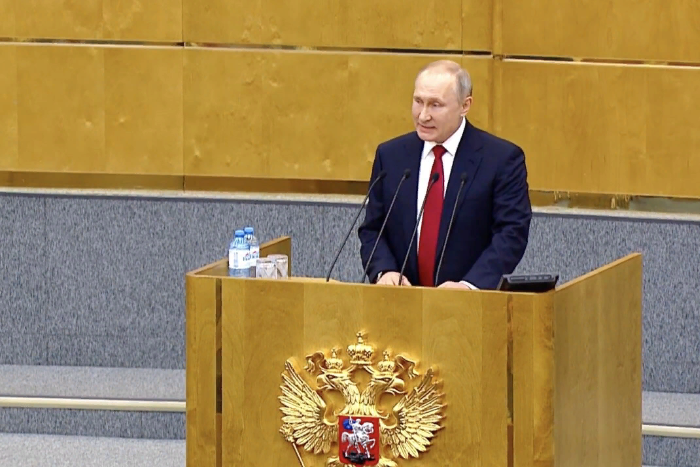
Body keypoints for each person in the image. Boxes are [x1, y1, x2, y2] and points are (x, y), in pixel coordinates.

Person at [358, 60, 531, 290]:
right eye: (418, 102)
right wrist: (384, 271)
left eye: (435, 105)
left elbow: (511, 233)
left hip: (470, 303)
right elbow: (373, 229)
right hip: (401, 300)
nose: (423, 116)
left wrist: (469, 285)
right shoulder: (391, 156)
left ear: (465, 105)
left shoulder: (501, 159)